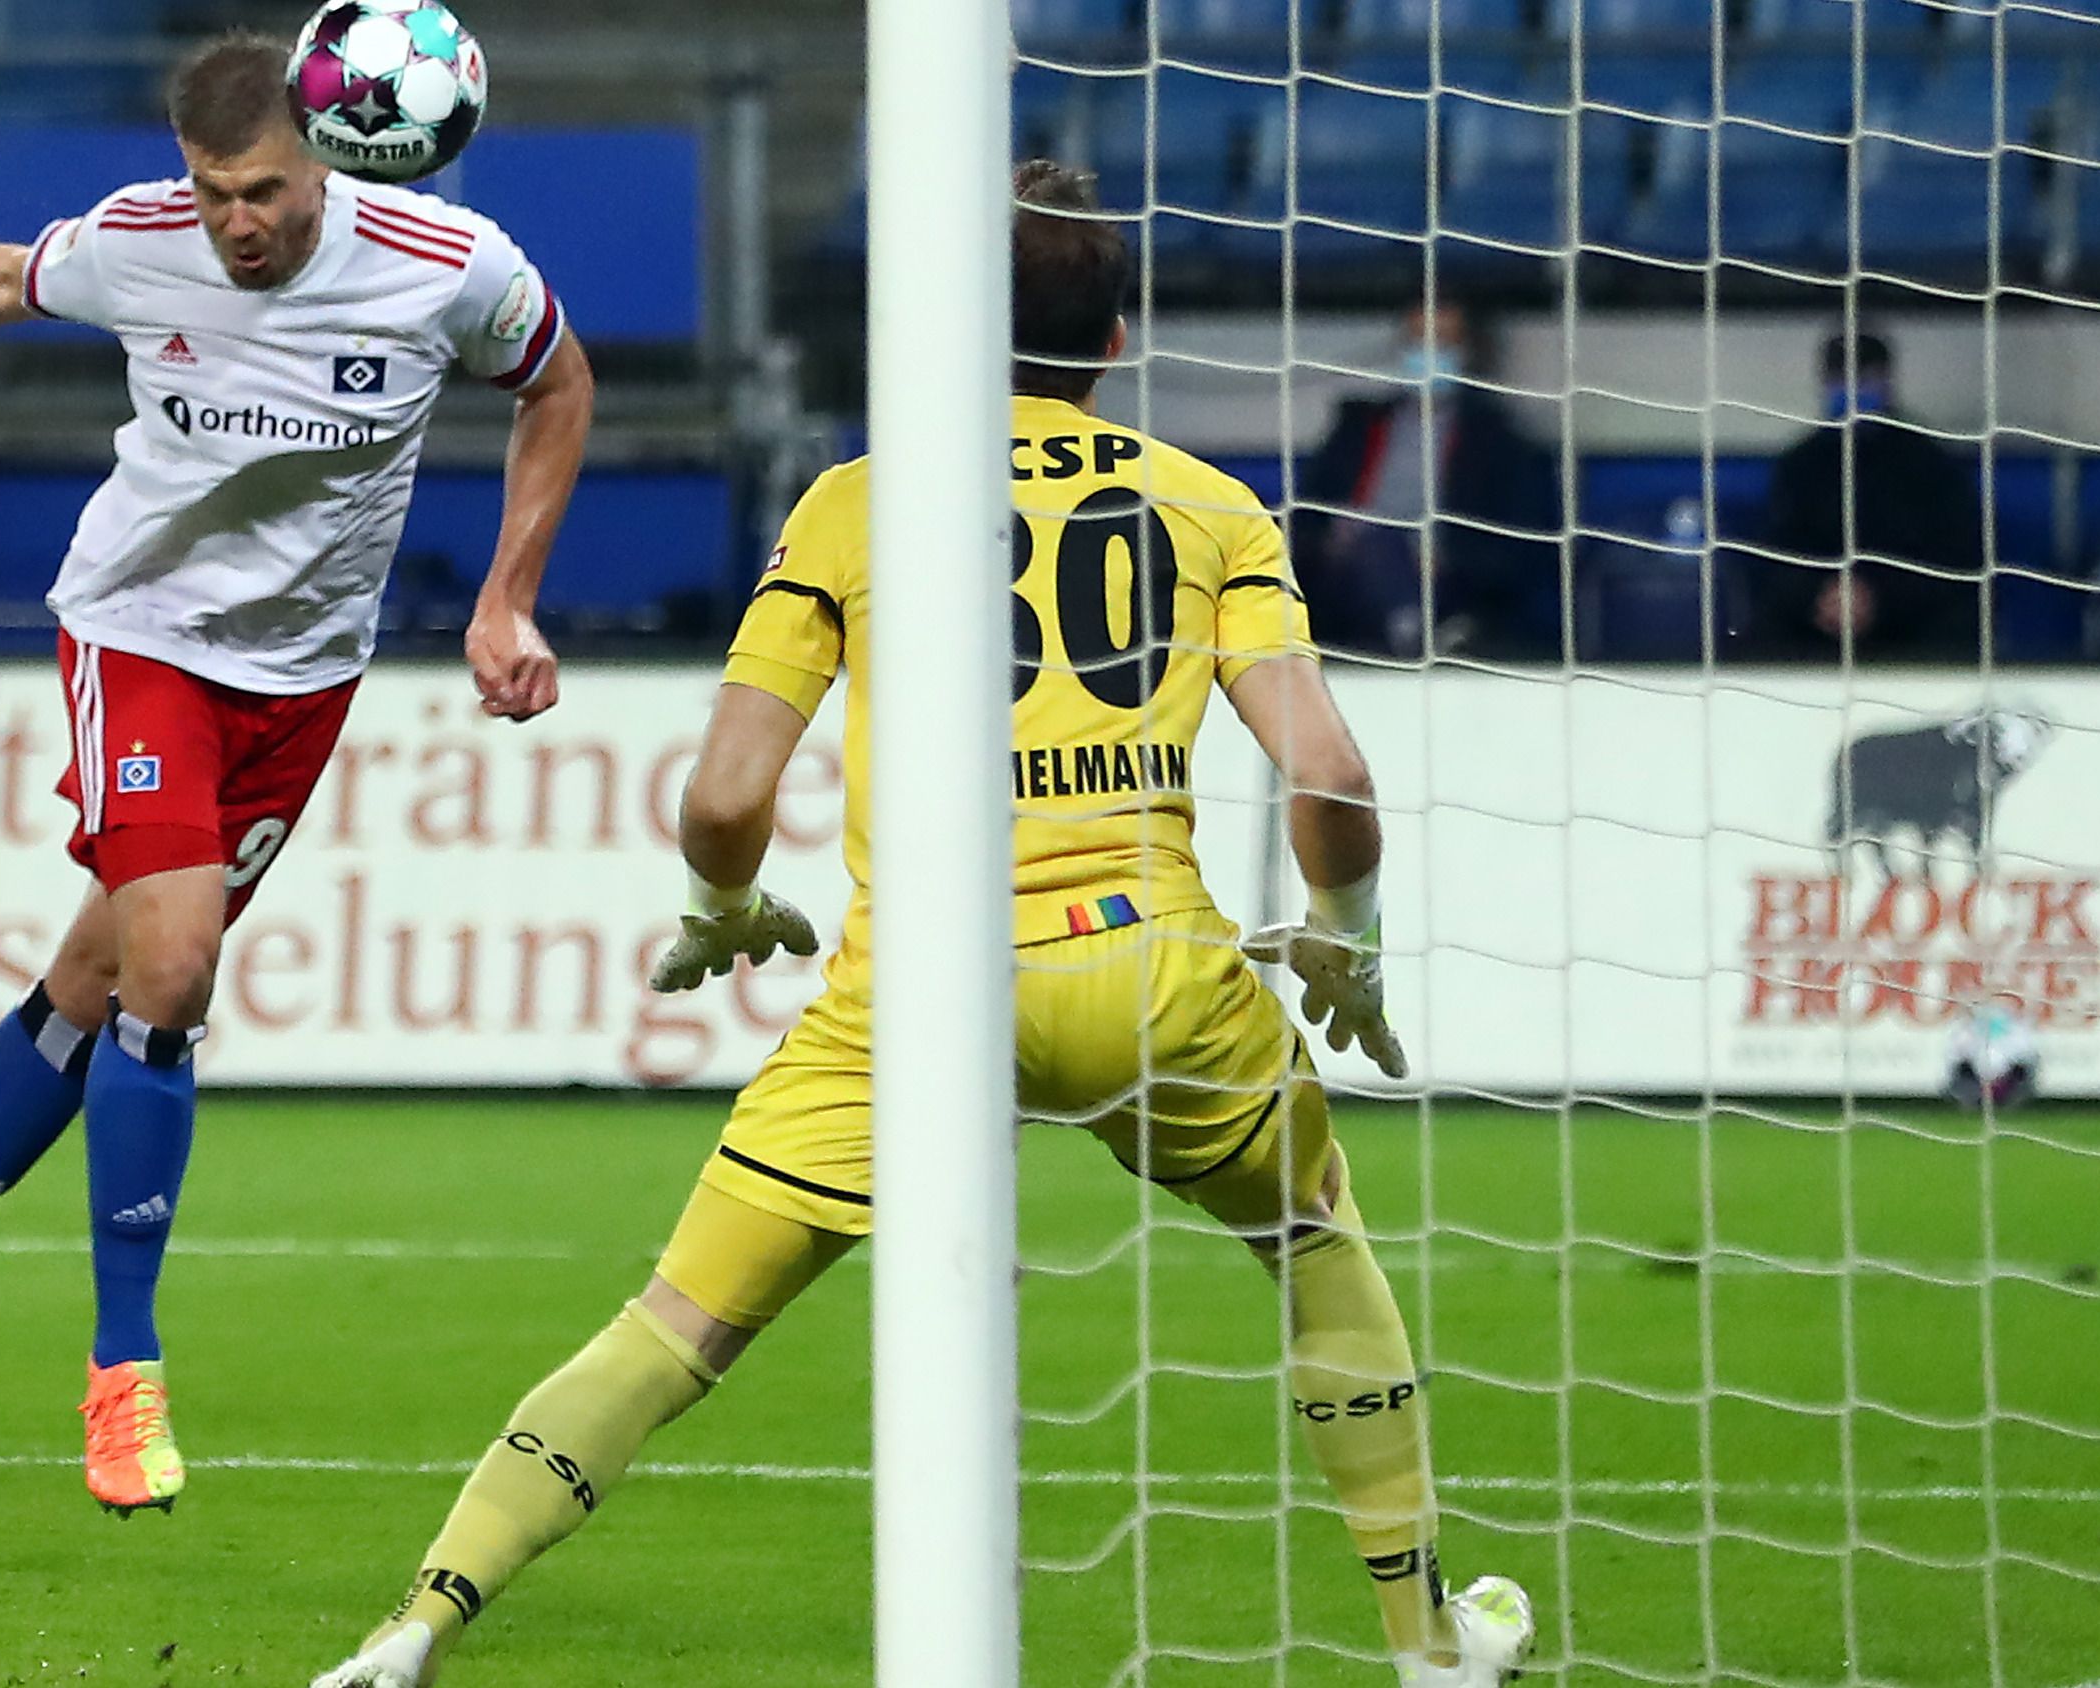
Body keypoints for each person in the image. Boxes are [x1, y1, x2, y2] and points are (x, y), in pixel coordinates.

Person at [312, 162, 1530, 1688]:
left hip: (916, 997)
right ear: (1118, 339)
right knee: (1313, 1238)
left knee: (673, 1326)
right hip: (1150, 967)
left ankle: (419, 1623)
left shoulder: (851, 506)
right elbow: (1330, 773)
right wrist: (1346, 933)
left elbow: (722, 795)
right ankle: (1429, 1642)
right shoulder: (1213, 508)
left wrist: (723, 906)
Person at [0, 30, 594, 1513]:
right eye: (215, 191)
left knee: (94, 984)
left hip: (302, 679)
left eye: (265, 192)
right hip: (142, 639)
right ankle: (123, 1372)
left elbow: (559, 384)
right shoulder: (142, 240)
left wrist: (508, 597)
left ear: (324, 161)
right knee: (173, 966)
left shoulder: (447, 265)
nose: (239, 222)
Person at [1296, 301, 1562, 661]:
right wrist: (1331, 538)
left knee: (1390, 553)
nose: (1429, 352)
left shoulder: (1497, 440)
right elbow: (1309, 512)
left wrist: (1445, 556)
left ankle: (1407, 632)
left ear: (1469, 351)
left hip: (1447, 578)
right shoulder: (1357, 426)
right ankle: (1413, 637)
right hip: (1348, 570)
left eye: (1443, 341)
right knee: (1376, 546)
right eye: (1418, 340)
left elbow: (1519, 543)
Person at [1737, 328, 1986, 662]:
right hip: (1816, 623)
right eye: (1841, 378)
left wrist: (1877, 598)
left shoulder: (1930, 464)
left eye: (1863, 377)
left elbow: (1956, 559)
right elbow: (1777, 555)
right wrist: (1818, 595)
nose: (1852, 388)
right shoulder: (1800, 465)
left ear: (1886, 380)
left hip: (1912, 626)